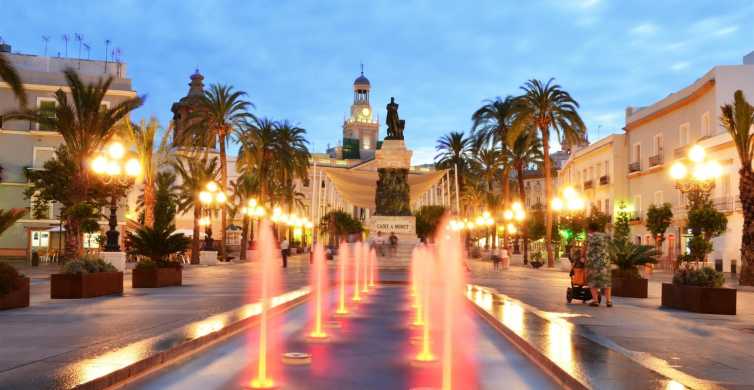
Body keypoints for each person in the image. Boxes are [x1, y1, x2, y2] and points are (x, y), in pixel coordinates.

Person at [585, 226, 612, 307]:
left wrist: (582, 257)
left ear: (590, 230)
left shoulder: (590, 236)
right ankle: (608, 301)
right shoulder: (605, 236)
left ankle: (595, 301)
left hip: (593, 263)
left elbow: (584, 247)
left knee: (593, 281)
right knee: (607, 282)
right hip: (605, 263)